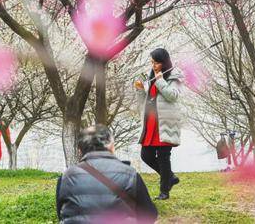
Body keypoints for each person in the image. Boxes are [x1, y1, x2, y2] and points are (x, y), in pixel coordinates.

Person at [56, 125, 158, 223]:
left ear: (79, 151)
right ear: (112, 146)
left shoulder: (66, 177)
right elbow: (149, 215)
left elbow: (61, 213)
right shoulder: (130, 175)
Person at [134, 48, 182, 200]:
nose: (153, 65)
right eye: (152, 62)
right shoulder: (152, 76)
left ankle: (164, 192)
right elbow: (144, 103)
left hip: (165, 123)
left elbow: (172, 96)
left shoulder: (174, 77)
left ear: (164, 62)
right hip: (151, 123)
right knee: (146, 155)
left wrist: (160, 80)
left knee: (163, 157)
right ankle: (171, 177)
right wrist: (140, 90)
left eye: (156, 62)